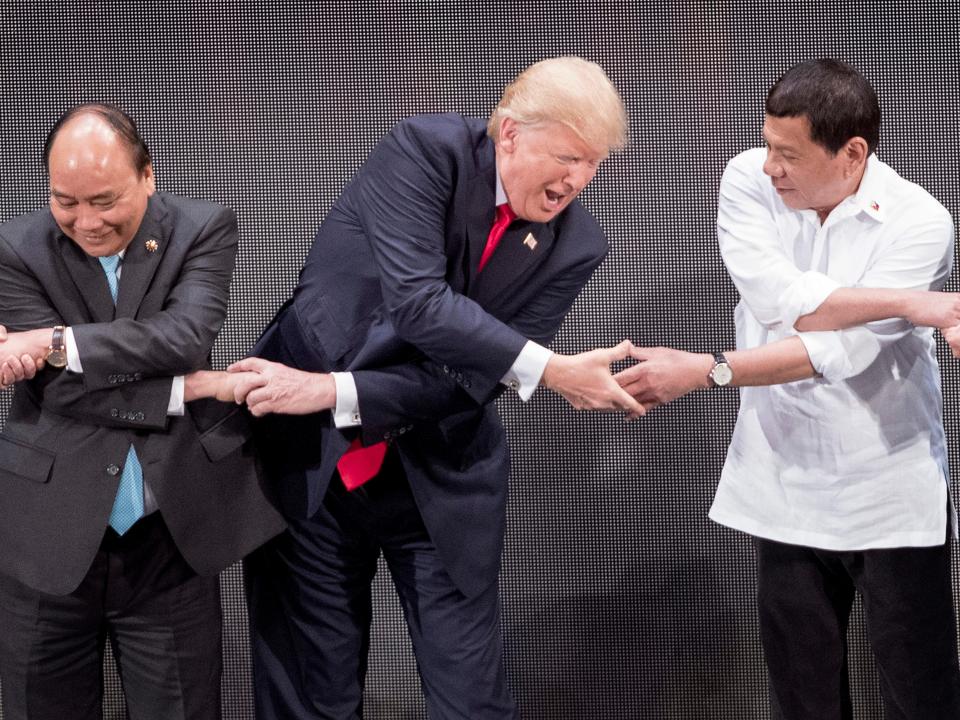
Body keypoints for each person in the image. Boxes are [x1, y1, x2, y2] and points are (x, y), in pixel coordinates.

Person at [224, 57, 635, 718]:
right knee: (310, 694)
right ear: (509, 134)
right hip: (312, 462)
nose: (576, 180)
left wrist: (335, 392)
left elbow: (471, 380)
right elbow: (419, 303)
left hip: (440, 472)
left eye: (592, 164)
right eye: (565, 157)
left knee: (471, 700)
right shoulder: (425, 152)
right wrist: (549, 368)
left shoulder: (577, 244)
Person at [616, 59, 960, 719]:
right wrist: (912, 305)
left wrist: (712, 370)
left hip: (889, 492)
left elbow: (843, 351)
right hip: (781, 486)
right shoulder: (748, 179)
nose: (769, 165)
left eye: (788, 153)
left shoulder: (921, 222)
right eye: (768, 143)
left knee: (922, 698)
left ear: (853, 154)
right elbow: (780, 298)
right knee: (801, 701)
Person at [0, 104, 285, 720]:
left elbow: (182, 336)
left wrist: (57, 343)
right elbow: (59, 392)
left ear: (148, 177)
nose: (86, 221)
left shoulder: (202, 228)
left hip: (168, 540)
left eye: (104, 201)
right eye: (65, 201)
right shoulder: (16, 247)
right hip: (46, 536)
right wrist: (192, 389)